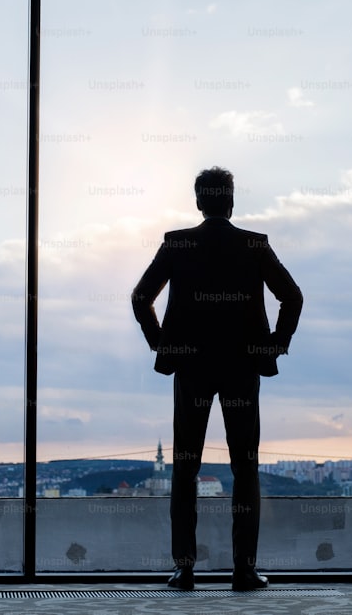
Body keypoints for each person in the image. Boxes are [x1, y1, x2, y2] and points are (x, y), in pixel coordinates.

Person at [131, 166, 303, 591]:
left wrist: (162, 343)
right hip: (242, 367)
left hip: (191, 366)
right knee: (245, 468)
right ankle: (244, 571)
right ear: (230, 201)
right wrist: (275, 345)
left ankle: (184, 569)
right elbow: (292, 297)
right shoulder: (254, 245)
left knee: (185, 468)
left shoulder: (177, 243)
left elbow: (140, 297)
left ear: (198, 202)